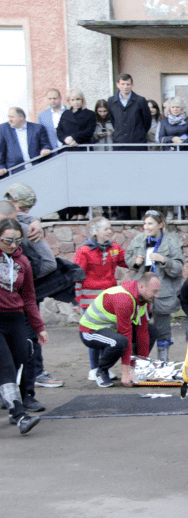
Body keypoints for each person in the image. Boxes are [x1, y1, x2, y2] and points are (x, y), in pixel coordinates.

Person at [0, 218, 46, 434]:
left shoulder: (23, 262)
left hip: (15, 317)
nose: (12, 245)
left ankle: (11, 405)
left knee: (21, 360)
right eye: (7, 240)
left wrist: (39, 327)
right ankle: (20, 415)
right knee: (6, 366)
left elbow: (28, 297)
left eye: (17, 240)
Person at [79, 272, 161, 388]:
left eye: (158, 291)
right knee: (120, 341)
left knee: (151, 330)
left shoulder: (144, 299)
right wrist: (125, 372)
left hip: (111, 330)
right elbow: (125, 334)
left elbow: (142, 332)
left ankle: (136, 368)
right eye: (154, 291)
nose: (157, 295)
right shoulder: (124, 299)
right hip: (90, 331)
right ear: (142, 286)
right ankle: (101, 371)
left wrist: (143, 367)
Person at [125, 210, 184, 362]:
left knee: (162, 329)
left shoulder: (171, 242)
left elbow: (178, 268)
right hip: (141, 292)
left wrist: (164, 260)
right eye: (145, 223)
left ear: (160, 224)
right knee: (137, 327)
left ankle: (163, 361)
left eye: (150, 223)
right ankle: (137, 361)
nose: (146, 227)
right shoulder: (138, 240)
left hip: (162, 293)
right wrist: (134, 262)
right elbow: (128, 258)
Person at [73, 217, 127, 380]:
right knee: (94, 332)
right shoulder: (84, 251)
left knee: (108, 333)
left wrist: (138, 260)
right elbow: (76, 276)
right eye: (106, 228)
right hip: (89, 300)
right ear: (95, 232)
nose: (110, 231)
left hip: (109, 299)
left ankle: (104, 367)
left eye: (110, 228)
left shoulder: (115, 248)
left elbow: (126, 262)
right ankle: (94, 368)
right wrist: (75, 300)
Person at [55, 89, 95, 220]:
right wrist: (66, 139)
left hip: (82, 151)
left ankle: (82, 212)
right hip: (69, 152)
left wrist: (74, 138)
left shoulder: (89, 114)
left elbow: (89, 131)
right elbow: (59, 130)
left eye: (78, 99)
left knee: (83, 183)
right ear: (68, 101)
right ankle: (72, 212)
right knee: (70, 183)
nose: (76, 102)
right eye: (73, 100)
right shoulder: (65, 114)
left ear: (82, 100)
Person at [0, 107, 52, 176]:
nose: (10, 120)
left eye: (12, 117)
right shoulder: (3, 129)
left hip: (37, 168)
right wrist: (1, 167)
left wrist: (45, 149)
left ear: (21, 117)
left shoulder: (38, 128)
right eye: (9, 117)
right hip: (15, 172)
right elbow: (1, 151)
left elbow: (46, 145)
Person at [106, 74, 152, 151]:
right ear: (117, 84)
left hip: (137, 144)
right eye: (123, 84)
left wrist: (139, 134)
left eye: (128, 84)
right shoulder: (111, 101)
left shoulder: (140, 100)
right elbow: (113, 120)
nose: (125, 87)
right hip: (119, 143)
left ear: (132, 84)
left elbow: (147, 121)